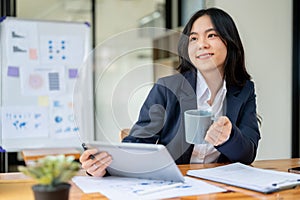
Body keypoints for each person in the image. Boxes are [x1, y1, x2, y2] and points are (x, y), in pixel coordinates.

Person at [80, 7, 261, 177]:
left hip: (222, 187)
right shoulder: (167, 88)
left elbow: (248, 154)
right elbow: (138, 145)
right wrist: (103, 168)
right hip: (177, 184)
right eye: (194, 39)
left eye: (211, 35)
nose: (201, 45)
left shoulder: (244, 90)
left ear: (230, 42)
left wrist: (228, 138)